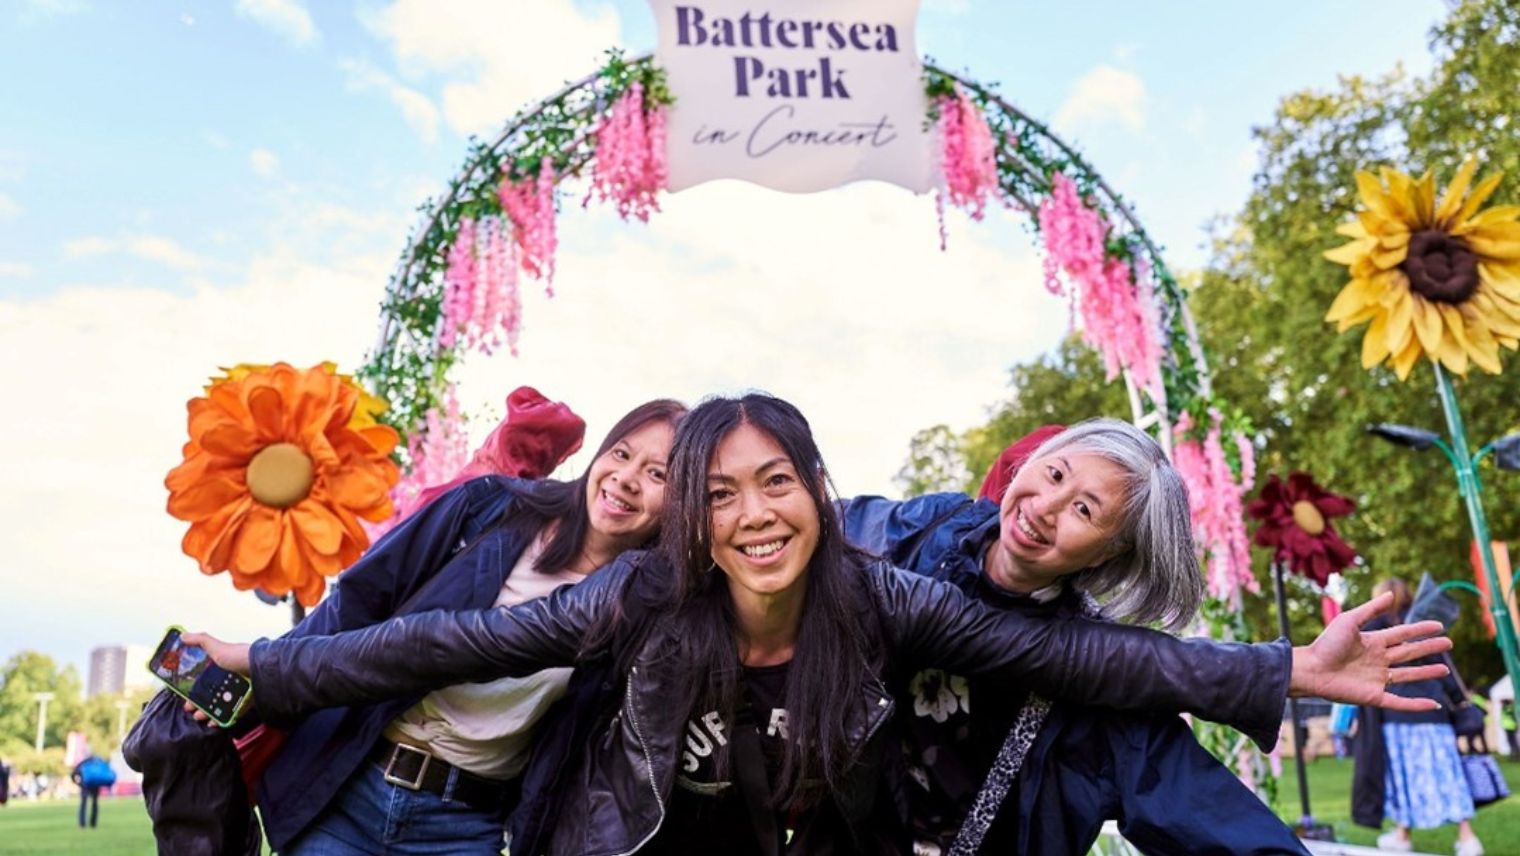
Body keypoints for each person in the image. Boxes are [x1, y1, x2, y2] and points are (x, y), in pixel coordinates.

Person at [188, 392, 1451, 855]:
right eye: (719, 491)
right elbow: (452, 642)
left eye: (773, 483)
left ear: (814, 494)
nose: (750, 513)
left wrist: (1280, 665)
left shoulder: (880, 590)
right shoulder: (648, 591)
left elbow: (1077, 657)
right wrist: (266, 663)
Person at [143, 394, 686, 856]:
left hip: (461, 826)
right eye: (622, 453)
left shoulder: (638, 604)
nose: (627, 479)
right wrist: (261, 679)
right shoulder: (488, 508)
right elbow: (355, 605)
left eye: (658, 474)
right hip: (349, 791)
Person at [840, 419, 1313, 854]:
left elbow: (1206, 812)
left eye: (1084, 510)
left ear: (1104, 556)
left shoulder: (1105, 691)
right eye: (1055, 475)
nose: (1045, 508)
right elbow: (808, 534)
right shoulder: (919, 531)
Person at [1352, 577, 1483, 856]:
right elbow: (1445, 668)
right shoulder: (1422, 626)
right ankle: (1465, 837)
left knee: (1402, 775)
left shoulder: (1374, 630)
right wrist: (1460, 702)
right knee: (1446, 772)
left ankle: (1404, 835)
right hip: (1434, 712)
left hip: (1396, 713)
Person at [72, 753, 112, 829]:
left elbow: (74, 774)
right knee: (94, 804)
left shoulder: (83, 763)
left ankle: (82, 824)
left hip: (85, 786)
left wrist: (79, 783)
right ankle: (93, 824)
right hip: (95, 786)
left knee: (83, 805)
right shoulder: (98, 762)